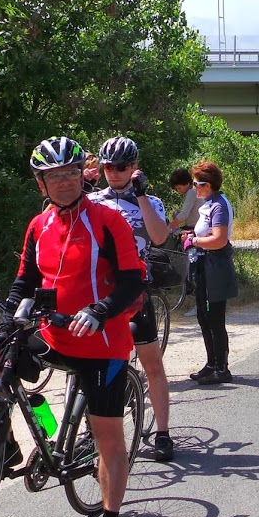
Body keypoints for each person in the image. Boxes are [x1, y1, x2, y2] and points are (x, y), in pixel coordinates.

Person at [0, 136, 144, 517]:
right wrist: (8, 319)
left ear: (82, 176)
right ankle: (10, 442)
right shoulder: (38, 225)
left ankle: (110, 516)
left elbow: (133, 283)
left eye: (70, 173)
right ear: (40, 184)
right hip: (54, 333)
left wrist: (100, 311)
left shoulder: (107, 221)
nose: (64, 182)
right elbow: (25, 281)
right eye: (53, 176)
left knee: (108, 436)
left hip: (102, 342)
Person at [88, 136, 174, 462]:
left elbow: (159, 237)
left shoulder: (150, 201)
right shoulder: (92, 200)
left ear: (134, 168)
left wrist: (140, 196)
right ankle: (91, 427)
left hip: (136, 290)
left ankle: (163, 432)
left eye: (121, 167)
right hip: (99, 292)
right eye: (108, 166)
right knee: (94, 364)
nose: (114, 172)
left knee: (152, 364)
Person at [183, 160, 238, 385]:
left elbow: (219, 239)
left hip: (216, 265)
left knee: (215, 317)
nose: (194, 187)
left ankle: (222, 368)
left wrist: (194, 241)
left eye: (197, 184)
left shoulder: (219, 205)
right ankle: (211, 363)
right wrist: (191, 236)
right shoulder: (207, 202)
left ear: (209, 184)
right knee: (203, 316)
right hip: (204, 265)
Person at [168, 167, 201, 232]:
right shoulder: (197, 190)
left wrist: (169, 228)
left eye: (179, 188)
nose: (178, 191)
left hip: (194, 227)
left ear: (187, 183)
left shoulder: (191, 192)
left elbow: (184, 214)